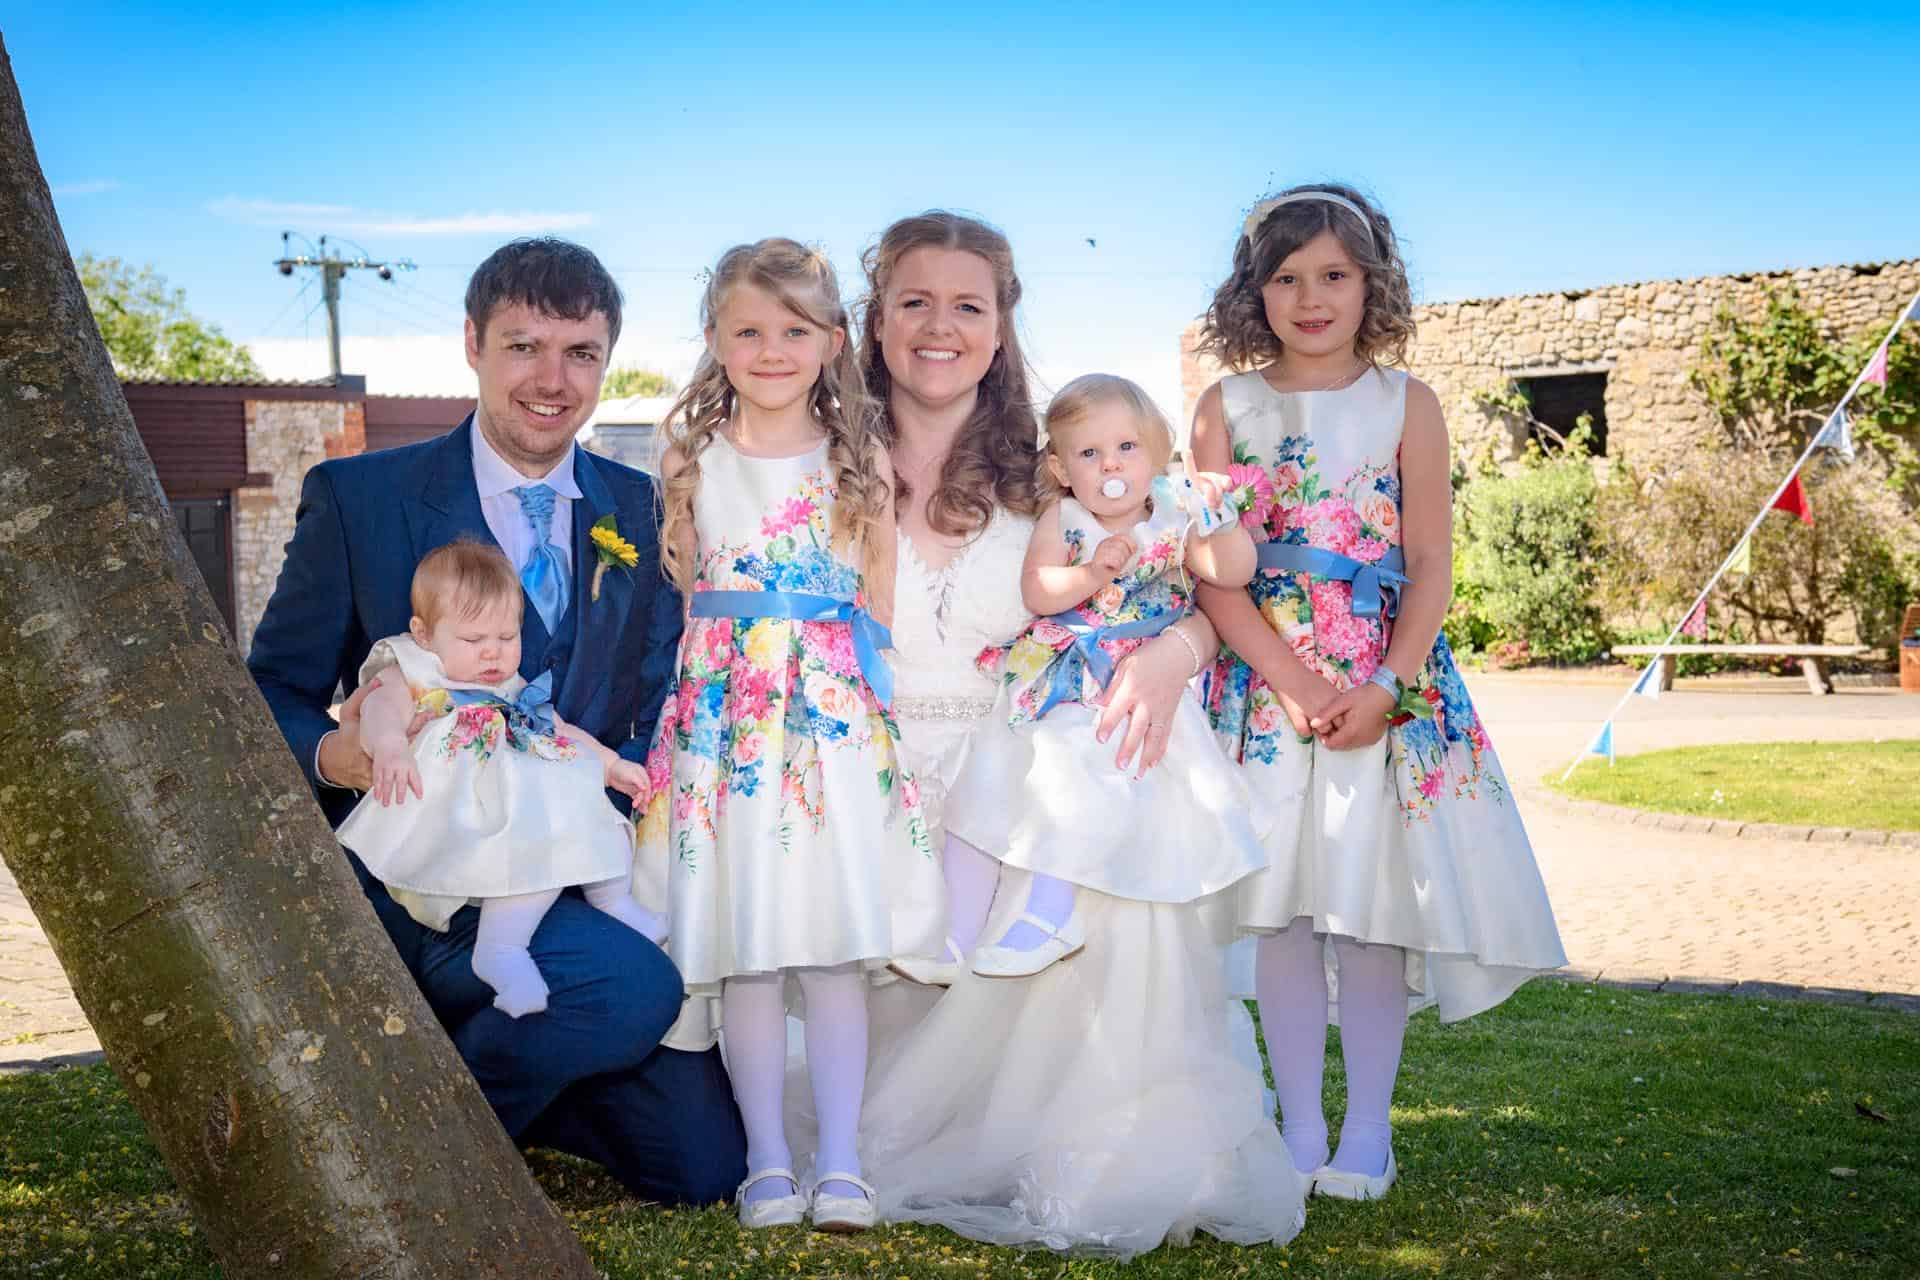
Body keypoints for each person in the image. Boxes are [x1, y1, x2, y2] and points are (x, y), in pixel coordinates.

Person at [842, 212, 1307, 1258]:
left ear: (1001, 328)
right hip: (872, 781)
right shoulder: (828, 463)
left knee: (1104, 840)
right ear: (875, 321)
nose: (940, 326)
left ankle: (1093, 1142)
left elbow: (1197, 587)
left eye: (969, 305)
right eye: (915, 301)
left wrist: (1176, 652)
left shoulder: (1057, 466)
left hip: (1034, 763)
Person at [247, 237, 745, 1206]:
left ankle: (510, 1064)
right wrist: (343, 753)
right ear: (473, 343)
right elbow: (271, 688)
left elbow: (655, 698)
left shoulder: (643, 508)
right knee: (636, 989)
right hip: (432, 883)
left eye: (581, 353)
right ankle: (426, 1146)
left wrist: (594, 816)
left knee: (700, 1168)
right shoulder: (362, 499)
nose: (552, 381)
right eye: (524, 346)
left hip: (569, 871)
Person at [1191, 183, 1567, 1201]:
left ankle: (1367, 1129)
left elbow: (1432, 564)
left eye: (1334, 275)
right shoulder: (1225, 407)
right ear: (1254, 291)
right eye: (1286, 277)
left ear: (1371, 284)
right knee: (1281, 912)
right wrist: (1289, 677)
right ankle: (1299, 1125)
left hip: (1382, 684)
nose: (1311, 298)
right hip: (1266, 683)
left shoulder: (1410, 403)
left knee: (1369, 911)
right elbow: (1212, 572)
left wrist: (1388, 684)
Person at [630, 238, 941, 1232]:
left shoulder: (859, 459)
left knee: (831, 946)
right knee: (748, 945)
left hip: (832, 729)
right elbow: (693, 601)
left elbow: (877, 608)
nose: (772, 350)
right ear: (715, 339)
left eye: (795, 331)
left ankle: (841, 1159)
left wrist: (873, 728)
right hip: (727, 729)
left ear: (833, 341)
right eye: (749, 330)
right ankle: (767, 1159)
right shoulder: (690, 459)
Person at [946, 373, 1266, 979]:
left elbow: (1232, 572)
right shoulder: (1063, 517)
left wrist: (1219, 517)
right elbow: (1038, 589)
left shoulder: (1173, 517)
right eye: (1089, 453)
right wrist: (1091, 573)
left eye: (1126, 447)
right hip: (1067, 673)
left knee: (1074, 779)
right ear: (1062, 469)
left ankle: (1051, 914)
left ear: (1155, 455)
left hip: (1132, 686)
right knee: (985, 776)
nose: (1110, 464)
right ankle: (954, 935)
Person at [337, 539, 664, 1018]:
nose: (492, 653)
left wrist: (609, 764)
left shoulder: (507, 686)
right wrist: (389, 746)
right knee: (529, 859)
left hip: (524, 797)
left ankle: (614, 900)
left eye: (507, 638)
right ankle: (500, 948)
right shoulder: (412, 667)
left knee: (593, 813)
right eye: (473, 641)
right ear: (424, 633)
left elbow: (558, 728)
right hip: (471, 812)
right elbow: (379, 708)